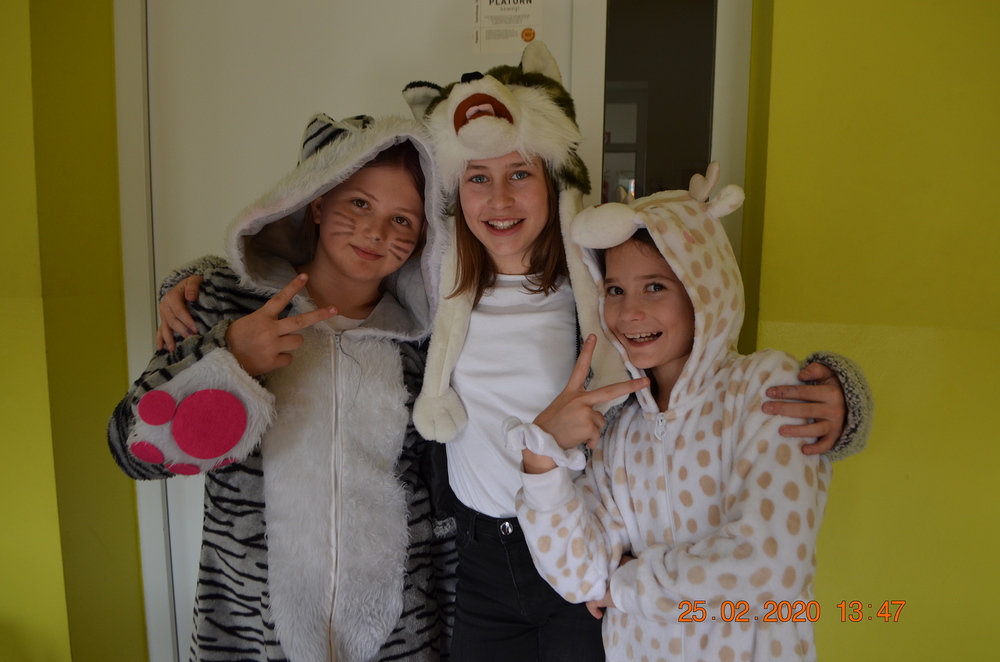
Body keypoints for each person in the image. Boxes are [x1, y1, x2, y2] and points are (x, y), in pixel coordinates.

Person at [397, 43, 870, 662]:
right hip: (491, 548)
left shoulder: (587, 275)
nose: (500, 198)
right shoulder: (439, 283)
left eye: (521, 174)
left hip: (592, 565)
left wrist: (842, 400)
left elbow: (692, 308)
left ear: (554, 179)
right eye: (478, 177)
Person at [108, 113, 456, 662]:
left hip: (399, 633)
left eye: (402, 220)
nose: (377, 232)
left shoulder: (427, 343)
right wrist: (231, 359)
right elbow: (132, 452)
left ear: (423, 237)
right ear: (316, 202)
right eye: (359, 203)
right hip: (252, 629)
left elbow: (440, 498)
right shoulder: (225, 305)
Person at [510, 165, 833, 660]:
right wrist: (542, 463)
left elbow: (769, 566)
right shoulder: (617, 426)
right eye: (614, 290)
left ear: (704, 288)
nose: (629, 312)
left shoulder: (764, 387)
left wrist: (628, 586)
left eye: (655, 286)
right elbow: (581, 578)